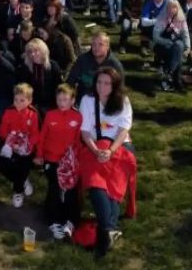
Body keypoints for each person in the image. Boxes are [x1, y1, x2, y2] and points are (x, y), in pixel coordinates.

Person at [78, 67, 136, 259]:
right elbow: (85, 131)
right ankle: (109, 229)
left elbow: (123, 130)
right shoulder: (87, 100)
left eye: (107, 83)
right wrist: (95, 150)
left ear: (115, 85)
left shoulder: (123, 101)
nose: (102, 86)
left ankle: (106, 230)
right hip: (94, 146)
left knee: (114, 184)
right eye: (99, 82)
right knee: (96, 182)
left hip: (119, 147)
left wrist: (110, 151)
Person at [34, 83, 82, 240]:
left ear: (72, 101)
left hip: (69, 162)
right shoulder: (50, 115)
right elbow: (42, 138)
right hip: (51, 159)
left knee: (71, 191)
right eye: (59, 99)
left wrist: (72, 159)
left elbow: (78, 141)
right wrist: (40, 155)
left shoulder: (78, 117)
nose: (62, 103)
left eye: (65, 100)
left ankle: (70, 222)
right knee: (54, 189)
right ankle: (53, 221)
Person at [0, 83, 40, 210]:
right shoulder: (8, 111)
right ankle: (22, 180)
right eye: (16, 100)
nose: (18, 103)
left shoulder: (33, 114)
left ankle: (18, 191)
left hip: (26, 147)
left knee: (22, 164)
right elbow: (2, 131)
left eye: (22, 100)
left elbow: (36, 134)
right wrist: (12, 141)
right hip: (10, 144)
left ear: (29, 101)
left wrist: (26, 144)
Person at [67, 31, 124, 102]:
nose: (96, 47)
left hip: (106, 103)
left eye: (100, 44)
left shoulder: (115, 65)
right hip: (83, 101)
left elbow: (119, 90)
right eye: (94, 44)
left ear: (107, 46)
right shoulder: (82, 60)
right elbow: (70, 81)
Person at [152, 0, 191, 92]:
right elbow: (156, 37)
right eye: (169, 7)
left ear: (178, 9)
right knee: (178, 53)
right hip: (162, 45)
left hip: (176, 45)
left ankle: (169, 72)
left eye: (174, 7)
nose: (171, 9)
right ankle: (177, 82)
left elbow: (186, 35)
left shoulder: (181, 20)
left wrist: (188, 47)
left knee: (179, 45)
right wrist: (169, 42)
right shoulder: (161, 19)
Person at [17, 38, 64, 112]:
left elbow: (59, 87)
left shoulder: (53, 66)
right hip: (31, 107)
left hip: (51, 106)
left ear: (43, 51)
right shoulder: (25, 67)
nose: (32, 54)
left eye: (36, 51)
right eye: (30, 52)